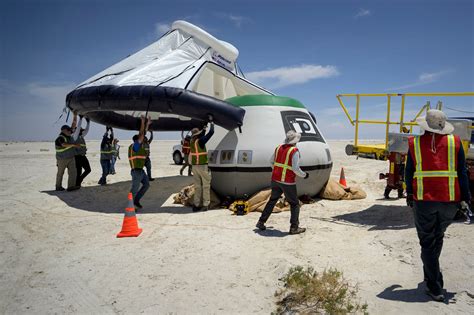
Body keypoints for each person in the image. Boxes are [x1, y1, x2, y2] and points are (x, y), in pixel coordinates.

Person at [405, 109, 471, 302]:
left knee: (427, 242)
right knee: (437, 237)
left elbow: (409, 172)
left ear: (425, 125)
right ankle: (432, 276)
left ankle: (434, 286)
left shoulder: (414, 143)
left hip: (423, 201)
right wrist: (465, 199)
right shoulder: (455, 142)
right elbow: (462, 173)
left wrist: (409, 194)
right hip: (449, 201)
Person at [256, 130, 309, 235]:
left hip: (275, 180)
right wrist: (304, 175)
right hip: (288, 182)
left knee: (272, 200)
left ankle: (261, 221)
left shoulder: (278, 148)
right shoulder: (294, 151)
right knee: (294, 204)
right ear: (296, 141)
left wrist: (276, 171)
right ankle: (294, 228)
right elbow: (295, 169)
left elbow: (271, 162)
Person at [189, 116, 214, 212]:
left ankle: (196, 205)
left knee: (197, 186)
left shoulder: (192, 142)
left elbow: (202, 135)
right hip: (202, 166)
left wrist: (204, 127)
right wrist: (212, 123)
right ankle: (205, 204)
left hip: (195, 167)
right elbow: (211, 133)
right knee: (206, 185)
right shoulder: (201, 141)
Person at [128, 116, 151, 209]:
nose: (143, 139)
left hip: (141, 171)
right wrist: (142, 122)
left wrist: (147, 125)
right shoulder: (135, 146)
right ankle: (130, 205)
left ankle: (136, 200)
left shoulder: (138, 146)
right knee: (134, 189)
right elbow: (141, 134)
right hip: (136, 172)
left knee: (146, 185)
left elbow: (143, 134)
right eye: (141, 139)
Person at [55, 123, 80, 191]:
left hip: (71, 158)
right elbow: (63, 144)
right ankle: (58, 187)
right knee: (60, 173)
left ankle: (71, 186)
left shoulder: (68, 136)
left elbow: (73, 126)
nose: (70, 131)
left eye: (70, 130)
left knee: (73, 172)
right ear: (63, 130)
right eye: (68, 130)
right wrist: (74, 145)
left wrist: (75, 116)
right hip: (62, 159)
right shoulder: (60, 138)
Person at [72, 115, 91, 187]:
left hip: (83, 156)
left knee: (88, 170)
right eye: (81, 129)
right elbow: (78, 128)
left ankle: (79, 180)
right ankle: (77, 184)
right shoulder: (74, 136)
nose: (82, 130)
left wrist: (88, 123)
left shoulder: (81, 136)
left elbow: (86, 131)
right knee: (78, 171)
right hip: (77, 157)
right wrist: (80, 119)